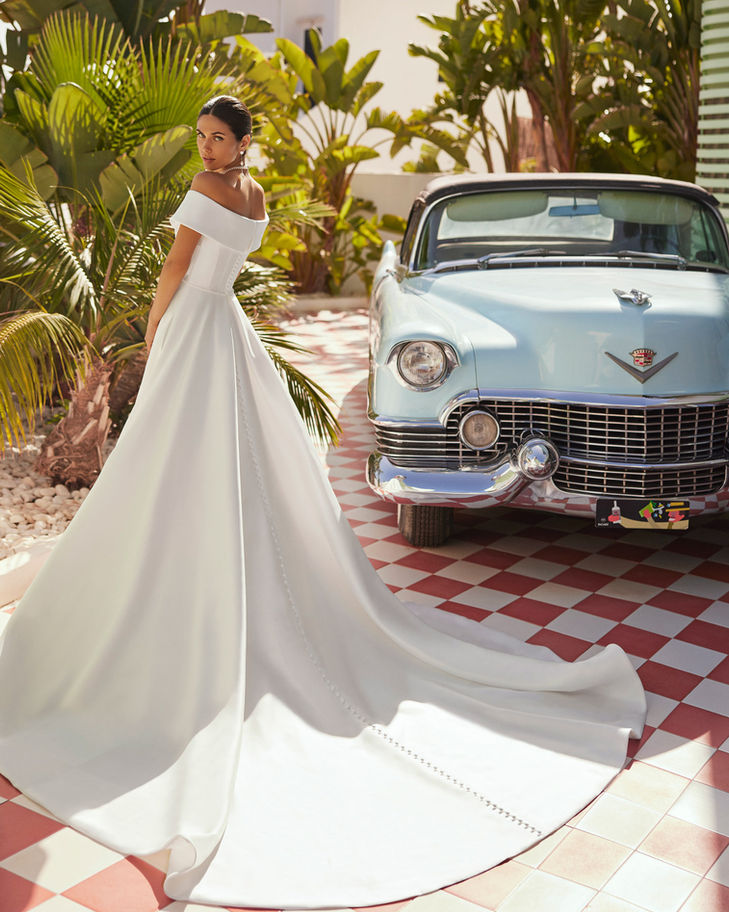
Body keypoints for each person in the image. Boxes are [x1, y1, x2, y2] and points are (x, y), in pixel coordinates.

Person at [0, 95, 647, 910]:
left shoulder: (205, 191)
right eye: (200, 135)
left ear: (239, 143)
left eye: (217, 137)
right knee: (229, 463)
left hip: (198, 331)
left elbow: (175, 271)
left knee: (176, 461)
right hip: (228, 330)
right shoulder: (256, 196)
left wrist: (158, 335)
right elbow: (224, 265)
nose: (205, 146)